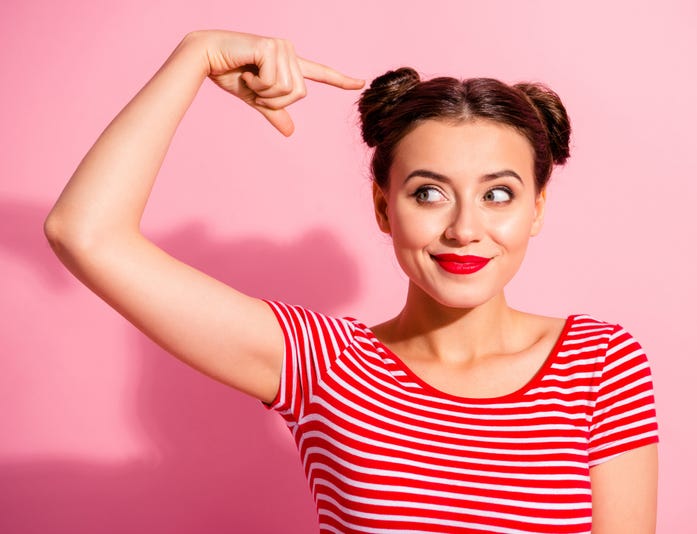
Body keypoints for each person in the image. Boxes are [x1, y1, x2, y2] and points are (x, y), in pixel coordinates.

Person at [44, 30, 659, 533]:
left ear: (537, 209)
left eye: (499, 194)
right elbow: (84, 232)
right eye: (429, 194)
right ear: (384, 207)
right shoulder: (323, 364)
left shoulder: (601, 362)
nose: (465, 229)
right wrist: (194, 57)